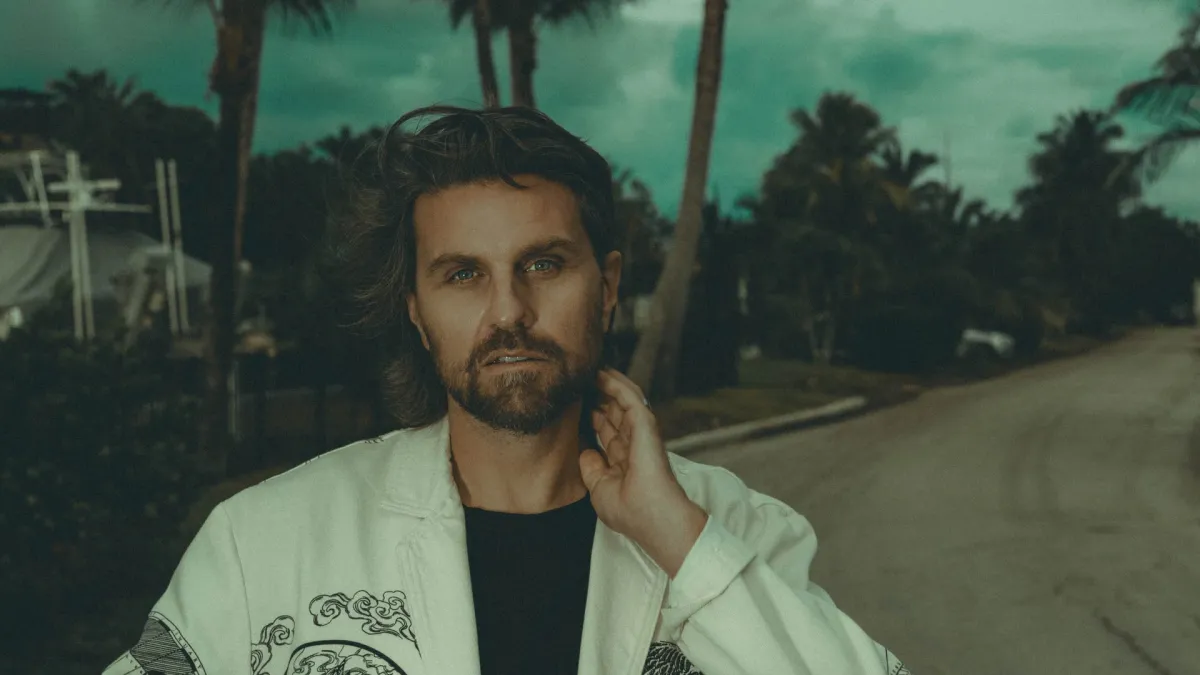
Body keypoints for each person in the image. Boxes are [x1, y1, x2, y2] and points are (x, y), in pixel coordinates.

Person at [102, 105, 913, 675]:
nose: (508, 312)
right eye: (463, 274)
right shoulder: (264, 543)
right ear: (416, 311)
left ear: (607, 286)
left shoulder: (733, 530)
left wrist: (676, 537)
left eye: (544, 263)